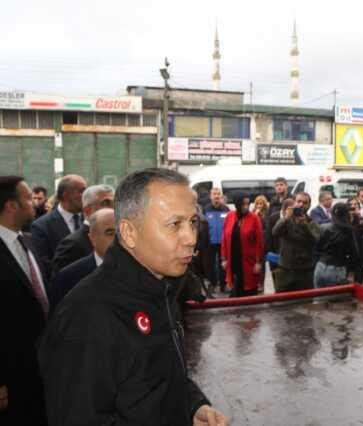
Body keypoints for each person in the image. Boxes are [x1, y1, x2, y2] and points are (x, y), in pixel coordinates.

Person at [39, 168, 226, 426]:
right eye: (174, 225)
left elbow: (160, 373)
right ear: (128, 232)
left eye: (192, 222)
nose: (190, 238)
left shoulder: (161, 287)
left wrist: (193, 405)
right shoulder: (87, 316)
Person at [0, 176, 48, 426]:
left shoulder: (29, 241)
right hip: (10, 374)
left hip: (39, 370)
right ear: (11, 205)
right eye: (28, 198)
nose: (35, 203)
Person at [50, 208, 115, 311]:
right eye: (110, 233)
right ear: (92, 238)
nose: (118, 239)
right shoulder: (69, 277)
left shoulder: (141, 270)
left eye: (121, 232)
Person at [50, 184, 114, 280]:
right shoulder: (72, 244)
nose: (113, 208)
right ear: (88, 210)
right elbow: (62, 284)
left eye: (115, 203)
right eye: (106, 203)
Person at [31, 174, 87, 278]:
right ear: (66, 194)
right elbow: (44, 266)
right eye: (82, 191)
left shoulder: (90, 221)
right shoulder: (41, 226)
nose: (86, 195)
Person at [272, 192, 320, 292]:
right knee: (282, 302)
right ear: (294, 203)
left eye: (305, 202)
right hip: (286, 269)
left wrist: (305, 225)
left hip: (305, 271)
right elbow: (275, 232)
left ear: (309, 205)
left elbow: (316, 240)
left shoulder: (311, 222)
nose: (301, 204)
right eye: (299, 201)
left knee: (305, 302)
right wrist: (285, 218)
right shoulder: (286, 220)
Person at [220, 193, 264, 298]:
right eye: (243, 204)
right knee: (235, 289)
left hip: (249, 262)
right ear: (237, 204)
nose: (246, 207)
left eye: (247, 204)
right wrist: (224, 258)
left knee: (249, 290)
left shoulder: (254, 218)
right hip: (233, 260)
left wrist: (258, 262)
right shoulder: (229, 216)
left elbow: (259, 242)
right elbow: (224, 239)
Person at [313, 202, 359, 288]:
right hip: (337, 269)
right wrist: (348, 269)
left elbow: (316, 248)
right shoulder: (348, 231)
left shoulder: (323, 227)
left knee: (318, 299)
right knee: (336, 299)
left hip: (320, 267)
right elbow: (355, 254)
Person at [204, 187, 229, 293]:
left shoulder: (226, 209)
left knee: (223, 265)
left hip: (223, 242)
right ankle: (212, 284)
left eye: (218, 194)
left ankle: (224, 285)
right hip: (210, 242)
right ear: (210, 196)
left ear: (221, 196)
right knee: (210, 265)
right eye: (214, 194)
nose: (216, 196)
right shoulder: (206, 209)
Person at [252, 195, 269, 291]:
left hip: (263, 242)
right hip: (254, 242)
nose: (259, 205)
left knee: (261, 264)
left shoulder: (266, 214)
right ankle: (255, 282)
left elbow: (266, 228)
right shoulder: (253, 213)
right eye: (257, 203)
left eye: (261, 203)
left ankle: (261, 283)